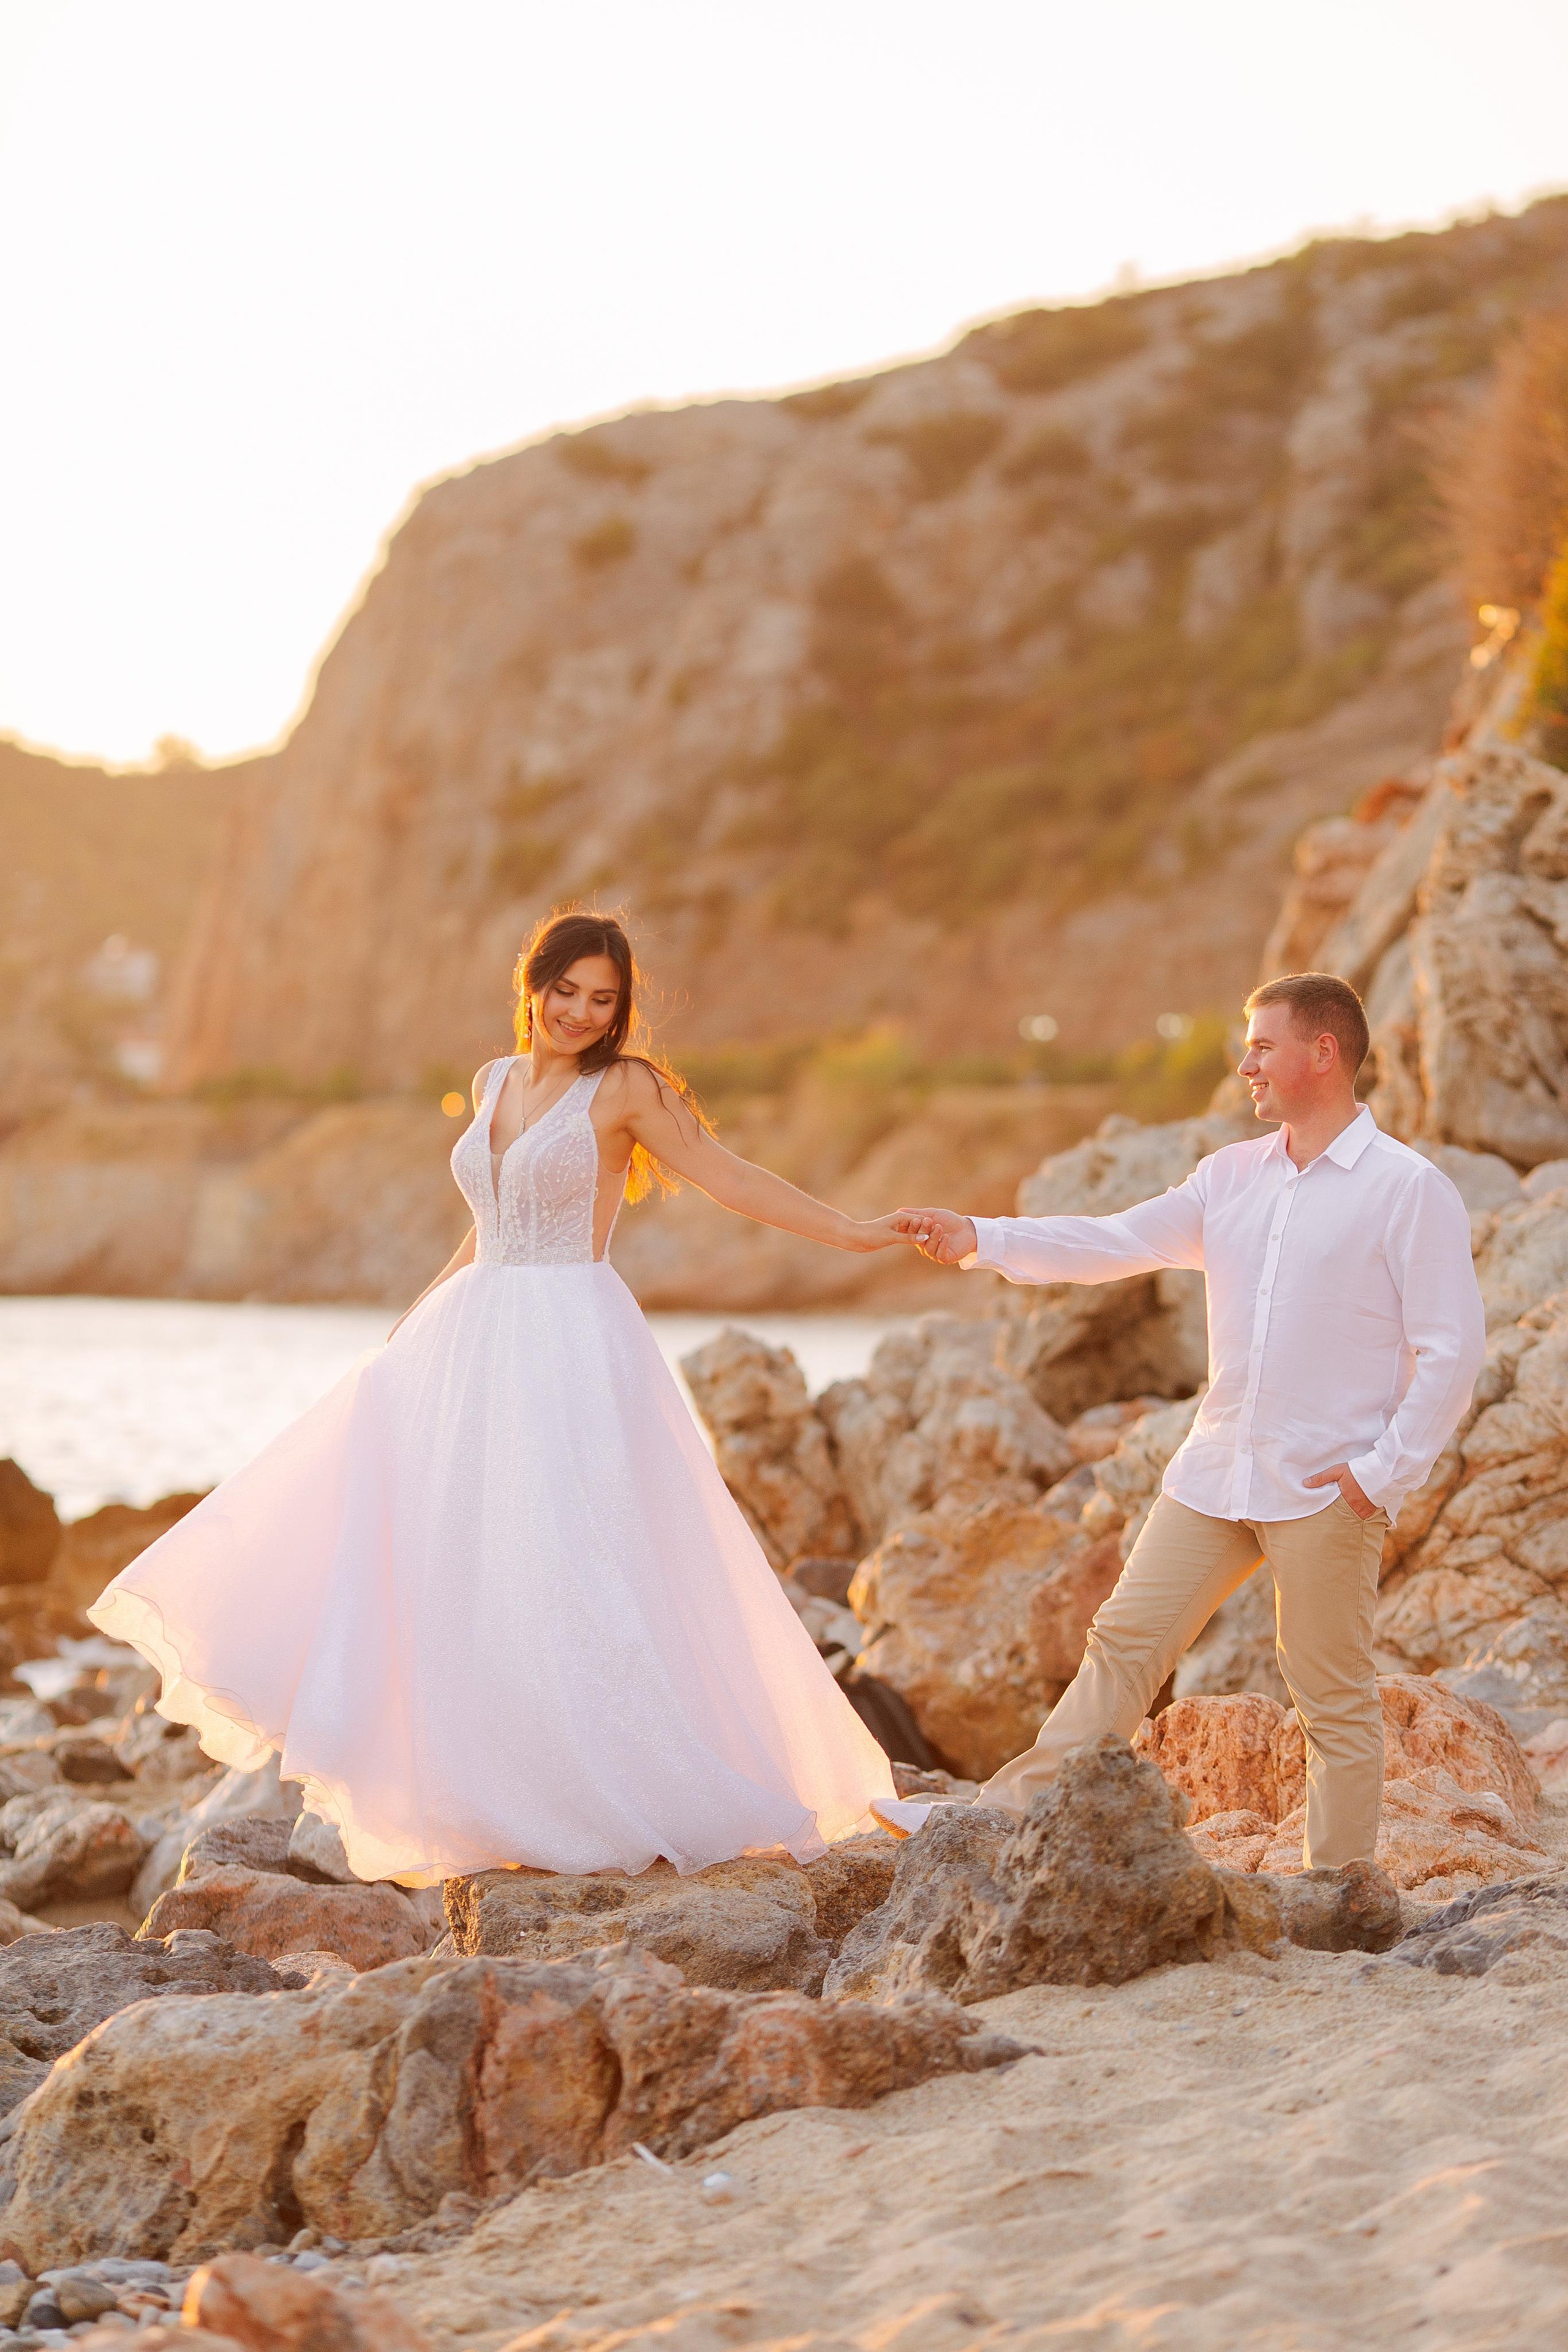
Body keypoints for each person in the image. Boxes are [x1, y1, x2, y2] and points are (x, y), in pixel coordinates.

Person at [91, 910, 902, 1886]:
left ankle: (615, 1790)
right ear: (535, 982)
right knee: (463, 1566)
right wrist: (413, 1326)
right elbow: (486, 1226)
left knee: (576, 1563)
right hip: (471, 1339)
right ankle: (493, 1796)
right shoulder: (492, 1082)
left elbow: (727, 1177)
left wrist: (855, 1233)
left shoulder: (627, 1089)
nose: (580, 1013)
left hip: (570, 1340)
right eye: (567, 991)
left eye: (603, 999)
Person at [875, 972, 1487, 1870]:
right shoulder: (1230, 1177)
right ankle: (998, 1823)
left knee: (1330, 1697)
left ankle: (1338, 1889)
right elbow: (1112, 1242)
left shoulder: (1408, 1189)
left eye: (1263, 1046)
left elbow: (1453, 1349)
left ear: (1324, 1052)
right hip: (1214, 1473)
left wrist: (1382, 1472)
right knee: (1122, 1645)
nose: (1247, 1065)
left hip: (1327, 1486)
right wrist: (982, 1235)